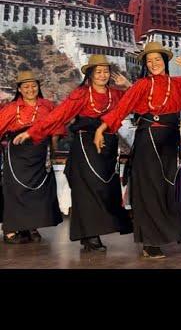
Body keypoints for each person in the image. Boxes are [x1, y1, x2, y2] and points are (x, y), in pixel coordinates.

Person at [93, 42, 181, 259]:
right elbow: (122, 109)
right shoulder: (140, 85)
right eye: (149, 61)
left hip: (170, 140)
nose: (153, 63)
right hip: (148, 138)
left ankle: (160, 235)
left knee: (164, 188)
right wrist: (101, 128)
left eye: (157, 59)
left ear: (165, 61)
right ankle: (150, 242)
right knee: (149, 189)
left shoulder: (178, 84)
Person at [13, 55, 133, 251]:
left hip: (108, 146)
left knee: (105, 189)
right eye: (98, 72)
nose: (103, 75)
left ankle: (89, 234)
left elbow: (136, 101)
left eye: (106, 71)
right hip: (86, 144)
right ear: (90, 75)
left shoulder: (115, 94)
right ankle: (91, 236)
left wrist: (128, 86)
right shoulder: (82, 94)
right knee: (90, 189)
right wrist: (31, 132)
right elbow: (58, 115)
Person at [0, 70, 64, 244]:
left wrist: (53, 150)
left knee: (37, 192)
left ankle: (31, 226)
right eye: (26, 86)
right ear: (19, 89)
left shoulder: (47, 106)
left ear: (39, 87)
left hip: (40, 154)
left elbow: (56, 129)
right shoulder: (12, 108)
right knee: (16, 191)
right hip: (17, 156)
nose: (30, 89)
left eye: (33, 86)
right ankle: (10, 230)